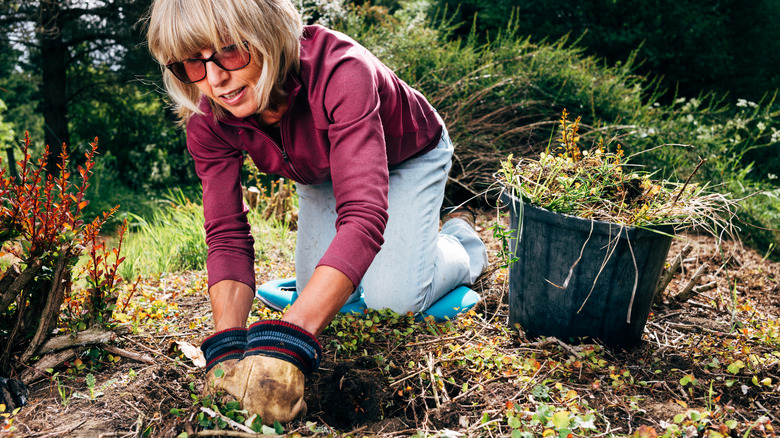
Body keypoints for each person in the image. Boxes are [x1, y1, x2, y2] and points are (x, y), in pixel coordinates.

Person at [145, 0, 487, 424]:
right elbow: (226, 234)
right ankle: (416, 246)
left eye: (229, 51)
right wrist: (227, 345)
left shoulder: (343, 71)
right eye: (191, 65)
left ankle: (459, 241)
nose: (215, 80)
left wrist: (288, 340)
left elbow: (362, 213)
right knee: (319, 291)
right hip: (322, 170)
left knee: (394, 299)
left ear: (266, 34)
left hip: (409, 156)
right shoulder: (206, 115)